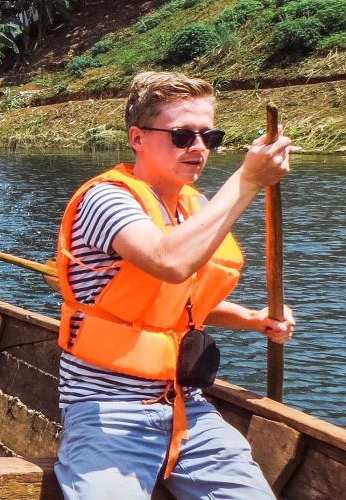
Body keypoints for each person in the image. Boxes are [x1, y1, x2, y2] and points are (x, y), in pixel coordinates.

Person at [53, 71, 294, 498]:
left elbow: (176, 301)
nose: (199, 149)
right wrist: (248, 180)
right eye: (182, 136)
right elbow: (170, 263)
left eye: (210, 137)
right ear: (137, 138)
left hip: (189, 412)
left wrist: (254, 319)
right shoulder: (107, 199)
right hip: (108, 417)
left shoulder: (194, 206)